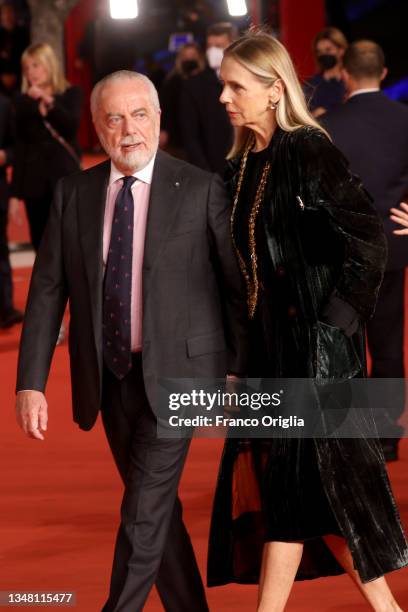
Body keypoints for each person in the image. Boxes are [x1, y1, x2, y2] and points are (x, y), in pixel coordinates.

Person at [15, 70, 247, 612]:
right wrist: (31, 383)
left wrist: (239, 370)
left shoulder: (200, 187)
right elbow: (48, 291)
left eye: (139, 114)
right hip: (111, 377)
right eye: (114, 117)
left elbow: (235, 289)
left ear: (159, 119)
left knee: (142, 512)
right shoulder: (73, 193)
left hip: (183, 377)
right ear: (95, 127)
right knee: (155, 513)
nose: (129, 129)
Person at [207, 31, 408, 612]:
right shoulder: (242, 167)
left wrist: (334, 327)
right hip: (271, 359)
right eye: (223, 84)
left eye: (235, 86)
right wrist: (241, 365)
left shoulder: (308, 149)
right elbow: (245, 279)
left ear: (273, 92)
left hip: (319, 360)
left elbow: (368, 240)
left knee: (291, 495)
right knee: (322, 501)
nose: (224, 97)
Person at [321, 40, 408, 462]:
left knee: (345, 343)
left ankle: (349, 432)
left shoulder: (329, 125)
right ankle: (387, 435)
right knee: (389, 342)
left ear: (345, 73)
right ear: (384, 73)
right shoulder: (404, 119)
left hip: (343, 250)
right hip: (393, 244)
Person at [9, 42, 82, 253]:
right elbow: (20, 146)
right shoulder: (21, 102)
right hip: (34, 184)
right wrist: (15, 194)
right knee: (41, 245)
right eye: (27, 68)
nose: (31, 72)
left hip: (65, 178)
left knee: (70, 243)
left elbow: (70, 127)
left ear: (49, 65)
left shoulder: (70, 94)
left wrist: (48, 102)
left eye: (36, 65)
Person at [180, 22, 236, 175]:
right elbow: (190, 136)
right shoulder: (193, 85)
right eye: (210, 46)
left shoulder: (247, 82)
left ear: (233, 47)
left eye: (219, 45)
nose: (213, 51)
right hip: (211, 171)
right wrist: (205, 174)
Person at [0, 91, 23, 328]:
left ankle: (5, 307)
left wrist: (5, 155)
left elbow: (17, 147)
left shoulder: (5, 104)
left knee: (0, 248)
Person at [160, 42, 205, 158]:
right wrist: (163, 130)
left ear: (199, 58)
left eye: (192, 55)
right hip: (177, 136)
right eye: (185, 56)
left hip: (201, 136)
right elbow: (165, 106)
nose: (189, 59)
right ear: (180, 58)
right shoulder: (173, 80)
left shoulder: (206, 80)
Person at [304, 27, 348, 117]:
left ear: (341, 50)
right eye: (319, 52)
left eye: (328, 50)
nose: (323, 55)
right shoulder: (311, 85)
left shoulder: (352, 81)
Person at [0, 2, 29, 97]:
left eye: (11, 13)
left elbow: (26, 56)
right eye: (5, 13)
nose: (8, 16)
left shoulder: (23, 34)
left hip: (19, 80)